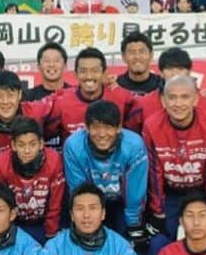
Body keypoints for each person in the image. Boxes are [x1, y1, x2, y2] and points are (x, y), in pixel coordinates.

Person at [142, 74, 206, 240]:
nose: (178, 104)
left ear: (195, 99)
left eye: (185, 97)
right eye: (172, 98)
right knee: (158, 243)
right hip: (170, 194)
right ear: (163, 101)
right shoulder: (151, 125)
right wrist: (158, 212)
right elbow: (154, 172)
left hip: (202, 192)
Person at [62, 100, 147, 242]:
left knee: (130, 242)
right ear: (87, 128)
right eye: (96, 127)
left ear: (119, 128)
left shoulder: (134, 145)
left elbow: (135, 190)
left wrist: (133, 225)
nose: (102, 134)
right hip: (90, 201)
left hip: (122, 202)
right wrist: (87, 220)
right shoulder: (74, 146)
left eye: (108, 127)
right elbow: (79, 190)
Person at [0, 117, 66, 242]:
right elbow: (1, 202)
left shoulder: (53, 160)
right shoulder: (1, 163)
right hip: (15, 224)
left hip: (43, 223)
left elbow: (55, 204)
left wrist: (51, 236)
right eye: (21, 145)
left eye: (32, 144)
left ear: (41, 144)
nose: (27, 150)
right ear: (13, 145)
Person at [53, 47, 138, 145]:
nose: (89, 76)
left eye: (95, 70)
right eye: (83, 71)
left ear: (104, 73)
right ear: (75, 74)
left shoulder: (122, 97)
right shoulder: (61, 101)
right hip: (76, 159)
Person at [0, 69, 53, 169]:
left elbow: (60, 99)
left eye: (10, 95)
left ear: (19, 95)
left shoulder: (36, 111)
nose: (5, 101)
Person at [115, 32, 161, 97]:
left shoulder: (162, 85)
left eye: (142, 51)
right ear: (123, 57)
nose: (137, 57)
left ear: (151, 55)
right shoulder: (115, 85)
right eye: (132, 52)